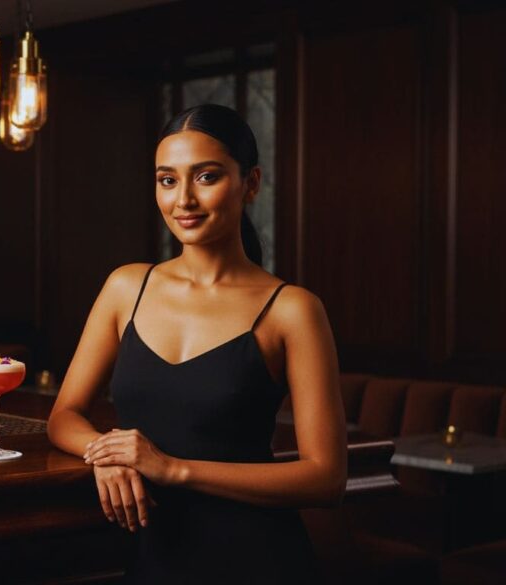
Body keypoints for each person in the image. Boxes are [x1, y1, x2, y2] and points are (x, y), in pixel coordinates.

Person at [46, 104, 347, 584]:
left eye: (206, 177)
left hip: (256, 561)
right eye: (167, 180)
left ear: (251, 183)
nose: (183, 199)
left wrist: (173, 469)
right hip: (151, 558)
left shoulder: (293, 310)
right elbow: (64, 416)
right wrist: (108, 453)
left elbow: (326, 477)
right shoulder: (126, 287)